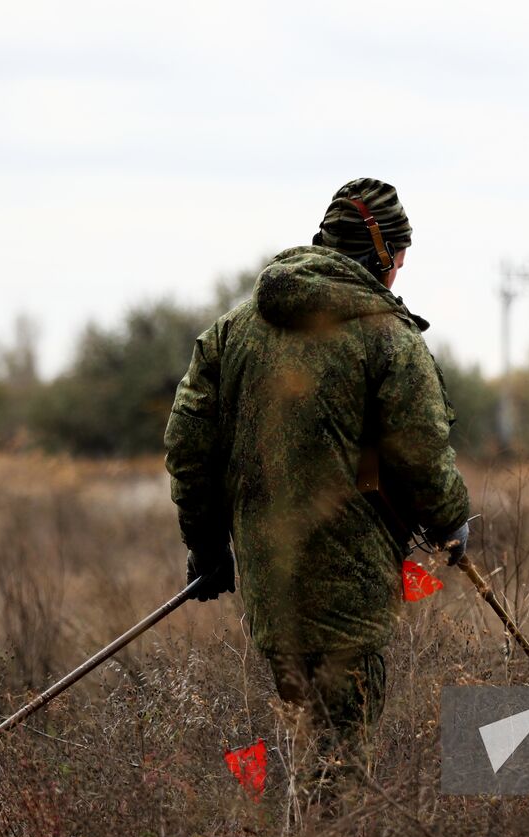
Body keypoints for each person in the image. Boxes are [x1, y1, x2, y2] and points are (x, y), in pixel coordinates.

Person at [164, 177, 471, 771]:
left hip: (268, 588)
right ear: (381, 254)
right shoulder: (387, 336)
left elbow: (188, 444)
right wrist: (451, 520)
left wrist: (207, 548)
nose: (401, 269)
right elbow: (422, 450)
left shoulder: (233, 331)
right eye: (400, 255)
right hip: (350, 592)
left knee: (305, 743)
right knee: (340, 766)